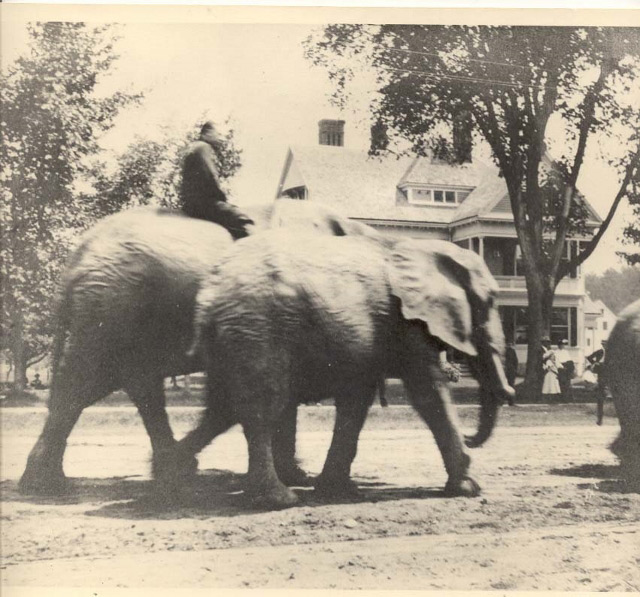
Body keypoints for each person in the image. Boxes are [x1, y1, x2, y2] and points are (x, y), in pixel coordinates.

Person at [180, 121, 254, 239]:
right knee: (238, 217)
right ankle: (250, 238)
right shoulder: (203, 147)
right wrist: (221, 199)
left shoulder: (192, 147)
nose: (218, 137)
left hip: (189, 202)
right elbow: (210, 175)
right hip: (202, 203)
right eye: (216, 133)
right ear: (207, 133)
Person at [587, 340, 608, 425]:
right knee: (601, 394)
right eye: (604, 344)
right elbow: (589, 357)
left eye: (606, 344)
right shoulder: (599, 351)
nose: (605, 346)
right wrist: (595, 363)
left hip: (610, 372)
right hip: (602, 372)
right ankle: (600, 418)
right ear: (602, 345)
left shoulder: (612, 353)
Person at [504, 341, 518, 406]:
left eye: (510, 344)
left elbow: (515, 361)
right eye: (508, 344)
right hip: (505, 370)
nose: (509, 345)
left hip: (510, 370)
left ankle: (511, 401)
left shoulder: (512, 351)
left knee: (511, 385)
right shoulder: (504, 351)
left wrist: (514, 369)